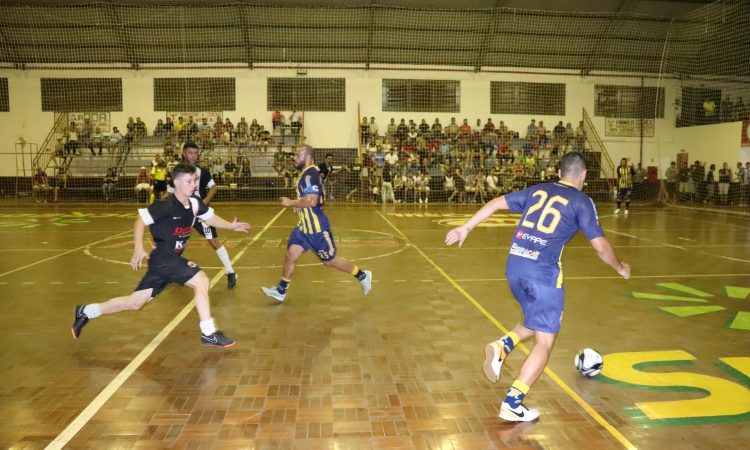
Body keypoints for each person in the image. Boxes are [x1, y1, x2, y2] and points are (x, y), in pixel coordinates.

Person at [445, 151, 630, 422]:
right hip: (542, 275)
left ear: (558, 173)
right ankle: (513, 401)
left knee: (536, 320)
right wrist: (620, 267)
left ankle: (502, 346)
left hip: (514, 267)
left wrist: (466, 228)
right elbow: (601, 248)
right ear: (584, 175)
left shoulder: (538, 190)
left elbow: (496, 202)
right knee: (545, 341)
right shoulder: (582, 201)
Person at [71, 163, 251, 347]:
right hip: (165, 258)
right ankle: (209, 332)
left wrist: (230, 226)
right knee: (201, 280)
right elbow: (140, 222)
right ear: (176, 182)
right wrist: (139, 248)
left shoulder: (195, 203)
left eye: (195, 180)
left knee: (135, 303)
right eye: (189, 181)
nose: (194, 185)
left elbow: (209, 217)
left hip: (164, 263)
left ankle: (86, 311)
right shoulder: (166, 205)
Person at [261, 145, 373, 302]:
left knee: (329, 261)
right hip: (304, 227)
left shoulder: (310, 175)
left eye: (297, 155)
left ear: (307, 157)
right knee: (291, 255)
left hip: (317, 229)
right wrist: (298, 206)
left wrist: (291, 202)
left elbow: (312, 201)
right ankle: (281, 290)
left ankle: (362, 275)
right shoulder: (307, 174)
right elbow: (313, 198)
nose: (294, 158)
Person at [167, 142, 240, 288]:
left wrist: (204, 203)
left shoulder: (203, 171)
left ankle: (231, 272)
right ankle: (175, 272)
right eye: (190, 152)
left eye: (195, 152)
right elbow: (169, 192)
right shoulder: (176, 171)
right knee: (177, 243)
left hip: (200, 214)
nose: (192, 155)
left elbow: (213, 188)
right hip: (182, 212)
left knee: (213, 241)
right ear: (184, 153)